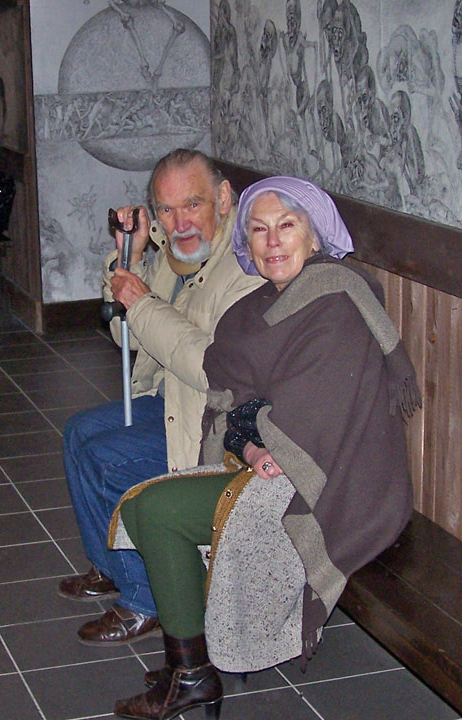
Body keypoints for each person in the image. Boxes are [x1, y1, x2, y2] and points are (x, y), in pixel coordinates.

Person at [107, 176, 421, 719]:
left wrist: (254, 435)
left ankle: (191, 675)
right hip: (273, 461)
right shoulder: (254, 309)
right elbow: (233, 399)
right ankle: (190, 661)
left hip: (329, 482)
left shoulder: (336, 301)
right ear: (245, 243)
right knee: (143, 508)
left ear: (315, 236)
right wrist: (249, 444)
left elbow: (308, 418)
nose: (272, 241)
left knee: (154, 510)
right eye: (258, 230)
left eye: (287, 226)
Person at [59, 149, 264, 645]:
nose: (179, 223)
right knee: (78, 433)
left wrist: (143, 302)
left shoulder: (246, 267)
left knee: (108, 458)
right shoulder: (178, 255)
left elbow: (213, 369)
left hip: (215, 425)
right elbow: (126, 334)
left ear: (222, 198)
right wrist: (127, 260)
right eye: (166, 210)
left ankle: (145, 599)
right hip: (173, 401)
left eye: (192, 205)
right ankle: (110, 564)